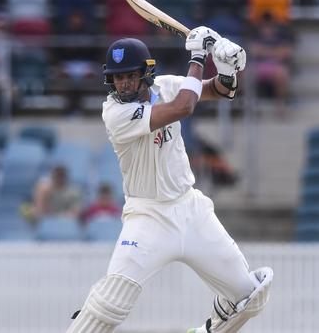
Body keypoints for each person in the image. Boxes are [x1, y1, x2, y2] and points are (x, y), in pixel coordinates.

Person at [66, 28, 273, 333]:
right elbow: (183, 107)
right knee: (109, 305)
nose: (123, 83)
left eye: (130, 75)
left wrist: (228, 67)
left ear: (146, 74)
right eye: (117, 77)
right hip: (147, 217)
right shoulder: (115, 113)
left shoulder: (167, 86)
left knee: (250, 297)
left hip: (191, 211)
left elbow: (220, 90)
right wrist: (199, 56)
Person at [249, 12, 294, 116]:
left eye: (269, 26)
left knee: (282, 73)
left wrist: (263, 52)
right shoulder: (255, 35)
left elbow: (285, 53)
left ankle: (280, 107)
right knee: (243, 73)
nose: (267, 29)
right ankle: (248, 106)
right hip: (257, 66)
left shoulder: (282, 36)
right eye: (264, 26)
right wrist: (274, 52)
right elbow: (253, 51)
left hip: (276, 66)